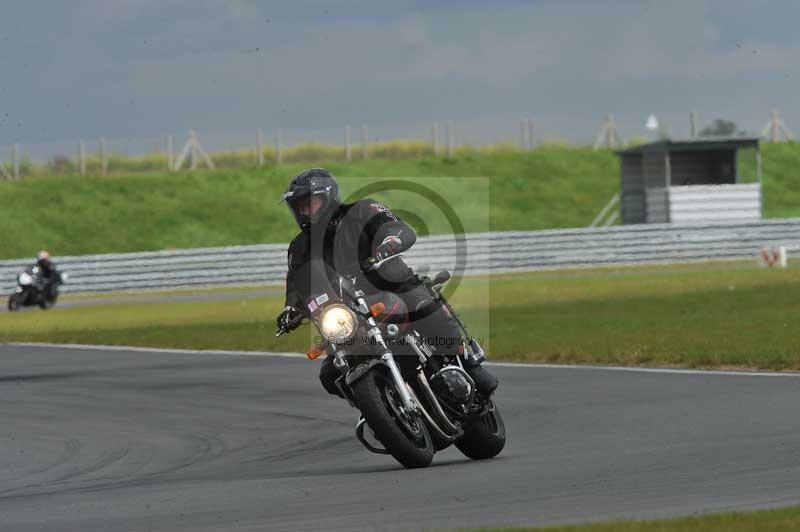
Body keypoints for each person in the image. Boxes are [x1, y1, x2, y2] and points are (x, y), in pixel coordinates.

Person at [275, 168, 498, 398]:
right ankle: (379, 403)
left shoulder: (362, 210)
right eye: (300, 207)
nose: (305, 211)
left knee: (424, 308)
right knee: (330, 375)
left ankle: (468, 363)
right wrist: (291, 309)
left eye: (310, 203)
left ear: (328, 196)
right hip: (349, 314)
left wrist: (389, 242)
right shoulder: (300, 248)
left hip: (393, 287)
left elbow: (395, 228)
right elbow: (298, 283)